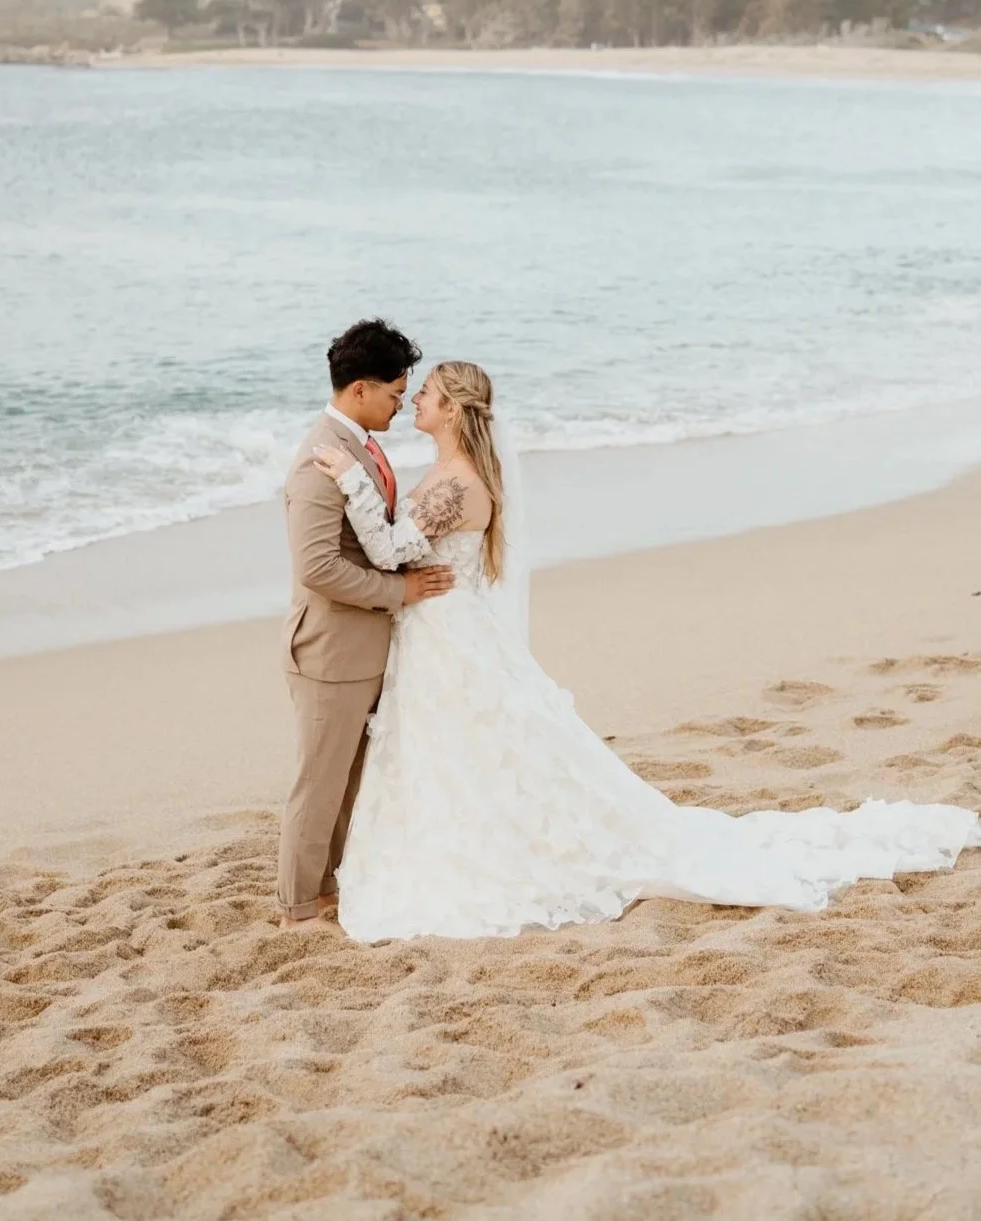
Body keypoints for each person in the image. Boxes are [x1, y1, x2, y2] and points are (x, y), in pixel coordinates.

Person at [312, 359, 981, 942]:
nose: (416, 401)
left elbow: (393, 550)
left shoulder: (456, 484)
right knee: (453, 750)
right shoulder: (447, 474)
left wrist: (349, 477)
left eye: (426, 392)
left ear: (453, 408)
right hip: (440, 630)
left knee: (467, 748)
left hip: (448, 636)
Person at [277, 319, 454, 930]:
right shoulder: (318, 462)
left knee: (351, 783)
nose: (400, 407)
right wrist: (400, 591)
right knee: (319, 784)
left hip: (364, 648)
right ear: (359, 390)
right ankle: (298, 907)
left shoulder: (358, 446)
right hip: (329, 651)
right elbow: (319, 568)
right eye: (393, 395)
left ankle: (329, 889)